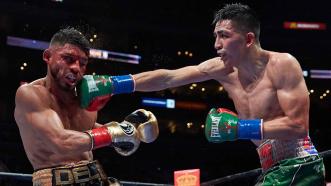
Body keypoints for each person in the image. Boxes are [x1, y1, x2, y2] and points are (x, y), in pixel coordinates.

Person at [80, 3, 325, 185]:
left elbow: (298, 126)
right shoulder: (222, 68)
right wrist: (116, 83)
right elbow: (169, 77)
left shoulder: (282, 64)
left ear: (249, 39)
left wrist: (239, 128)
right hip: (274, 169)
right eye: (216, 36)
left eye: (225, 36)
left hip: (299, 164)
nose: (217, 44)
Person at [14, 27, 159, 186]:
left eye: (82, 63)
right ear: (48, 56)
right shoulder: (30, 94)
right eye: (68, 59)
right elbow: (61, 141)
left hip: (96, 177)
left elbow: (83, 132)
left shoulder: (84, 96)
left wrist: (131, 131)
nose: (76, 68)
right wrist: (112, 134)